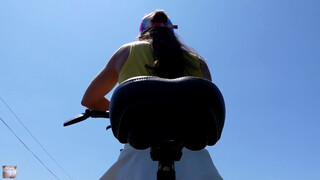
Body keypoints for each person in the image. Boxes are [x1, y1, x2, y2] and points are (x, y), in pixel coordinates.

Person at [81, 10, 223, 180]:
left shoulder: (126, 52)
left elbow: (90, 99)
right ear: (172, 32)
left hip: (136, 156)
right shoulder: (198, 62)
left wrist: (124, 109)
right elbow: (206, 107)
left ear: (142, 33)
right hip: (196, 162)